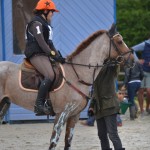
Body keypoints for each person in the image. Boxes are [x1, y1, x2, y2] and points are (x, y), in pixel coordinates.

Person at [24, 0, 65, 115]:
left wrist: (58, 56)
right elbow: (41, 43)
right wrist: (52, 54)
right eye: (52, 12)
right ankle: (39, 105)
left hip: (43, 54)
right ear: (45, 11)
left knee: (58, 71)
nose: (53, 14)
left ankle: (49, 102)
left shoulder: (47, 25)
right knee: (50, 75)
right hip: (35, 53)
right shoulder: (36, 23)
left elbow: (50, 44)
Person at [89, 63, 125, 150]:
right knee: (101, 135)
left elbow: (117, 64)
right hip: (98, 108)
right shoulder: (95, 72)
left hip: (110, 106)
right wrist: (92, 105)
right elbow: (94, 93)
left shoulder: (111, 68)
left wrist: (114, 61)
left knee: (113, 135)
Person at [132, 38, 150, 116]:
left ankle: (147, 108)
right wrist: (137, 61)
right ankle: (142, 110)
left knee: (149, 92)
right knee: (141, 91)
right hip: (142, 70)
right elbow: (132, 49)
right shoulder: (145, 44)